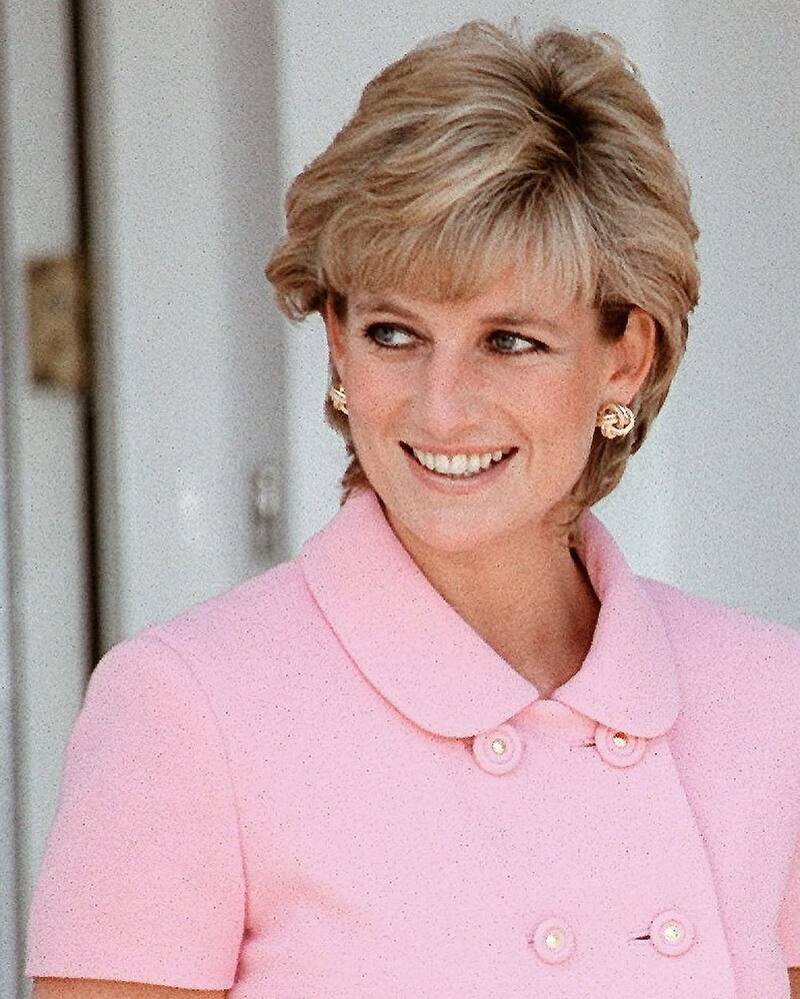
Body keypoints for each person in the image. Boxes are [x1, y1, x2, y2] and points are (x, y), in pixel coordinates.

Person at [25, 18, 800, 999]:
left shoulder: (769, 699)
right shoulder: (187, 707)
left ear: (625, 358)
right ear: (337, 342)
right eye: (394, 332)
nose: (441, 407)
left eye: (509, 341)